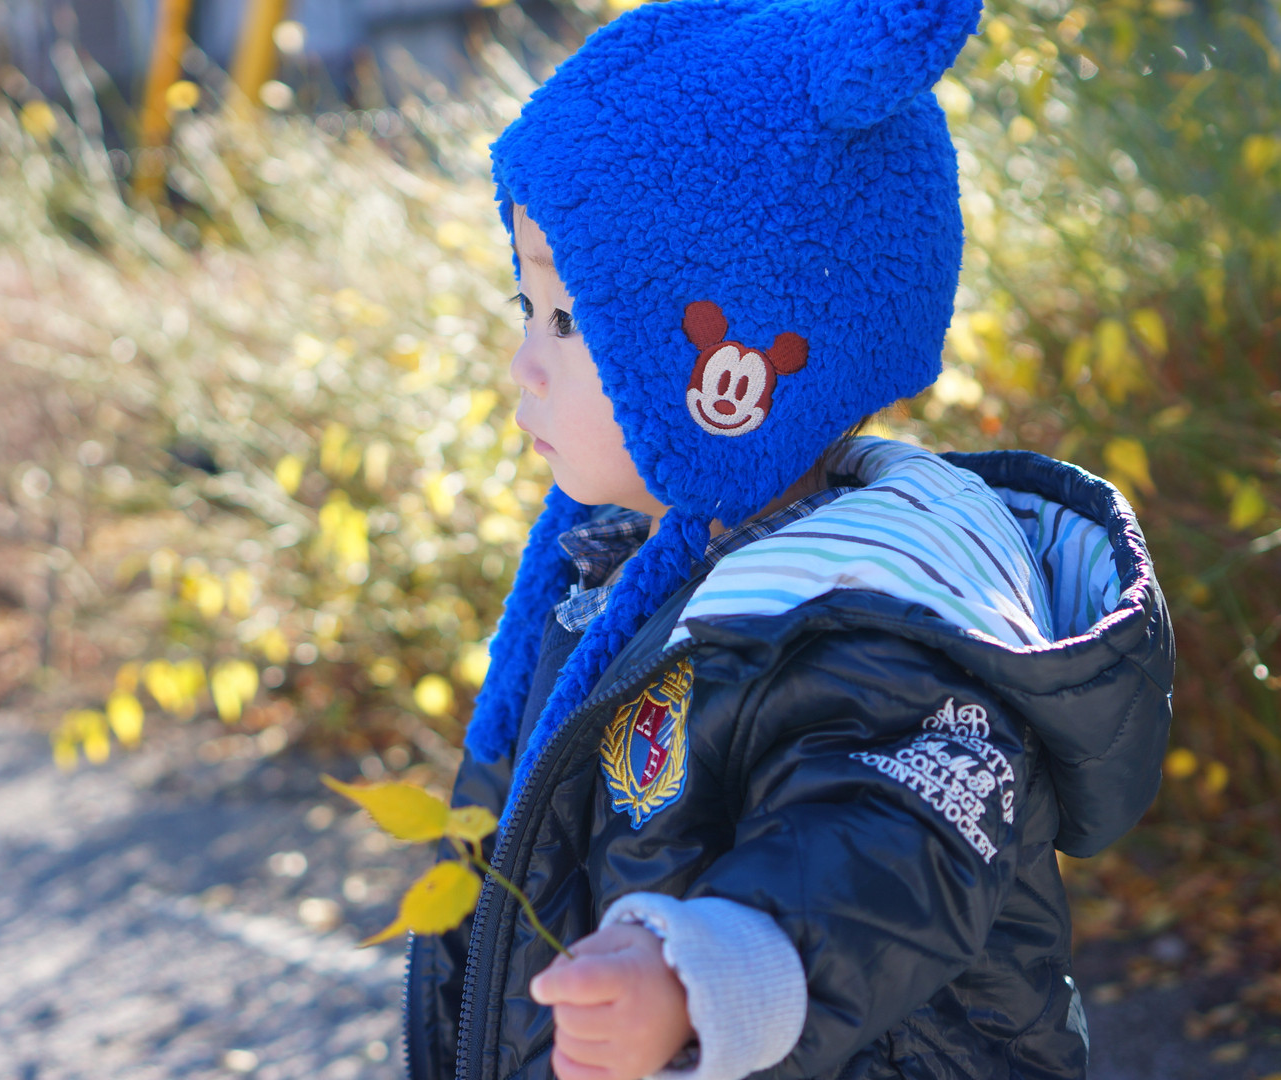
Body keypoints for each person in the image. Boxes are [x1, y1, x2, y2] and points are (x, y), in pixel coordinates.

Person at [404, 1, 1175, 1079]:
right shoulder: (628, 569)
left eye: (570, 321)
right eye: (522, 305)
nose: (523, 362)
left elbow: (888, 845)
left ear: (737, 369)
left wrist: (702, 979)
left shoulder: (870, 623)